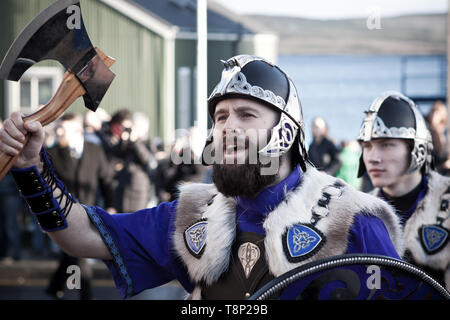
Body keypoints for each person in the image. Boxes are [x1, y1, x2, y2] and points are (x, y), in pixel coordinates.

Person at [0, 55, 404, 300]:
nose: (227, 127)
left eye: (247, 115)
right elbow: (81, 234)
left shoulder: (353, 220)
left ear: (285, 132)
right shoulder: (194, 215)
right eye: (221, 117)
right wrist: (31, 168)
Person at [357, 91, 450, 290]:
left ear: (416, 149)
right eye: (367, 146)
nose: (373, 157)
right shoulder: (359, 213)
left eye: (386, 145)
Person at [44, 113, 116, 300]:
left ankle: (55, 286)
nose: (58, 132)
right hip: (63, 214)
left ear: (77, 131)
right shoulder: (51, 153)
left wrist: (111, 206)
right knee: (78, 252)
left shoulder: (94, 150)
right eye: (58, 128)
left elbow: (106, 180)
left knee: (74, 252)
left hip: (88, 212)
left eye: (63, 129)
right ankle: (85, 294)